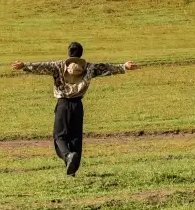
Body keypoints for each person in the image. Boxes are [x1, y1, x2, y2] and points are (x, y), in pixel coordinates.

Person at [11, 41, 137, 176]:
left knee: (59, 136)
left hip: (63, 105)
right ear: (81, 54)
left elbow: (41, 67)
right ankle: (72, 171)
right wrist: (124, 66)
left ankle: (67, 156)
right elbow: (106, 67)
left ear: (69, 53)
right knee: (75, 137)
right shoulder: (89, 67)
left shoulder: (59, 66)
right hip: (78, 105)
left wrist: (24, 66)